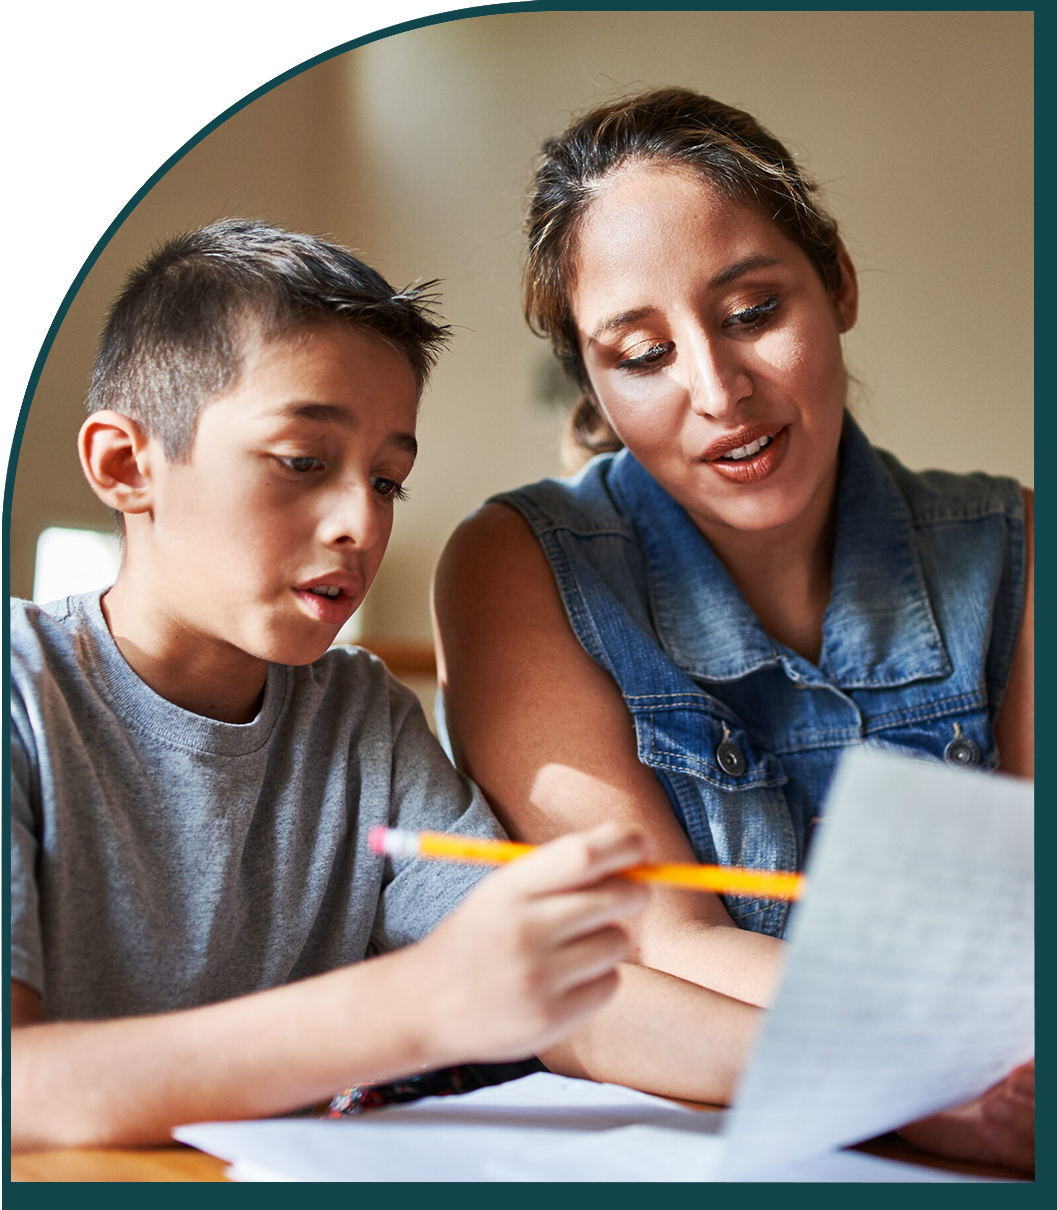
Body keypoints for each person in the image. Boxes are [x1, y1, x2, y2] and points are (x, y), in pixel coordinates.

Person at [433, 89, 1034, 1172]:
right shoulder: (516, 566)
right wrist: (934, 1060)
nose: (719, 390)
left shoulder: (1015, 546)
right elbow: (658, 936)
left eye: (753, 311)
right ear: (594, 382)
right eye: (641, 354)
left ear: (837, 281)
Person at [9, 220, 652, 1150]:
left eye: (388, 480)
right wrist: (415, 1004)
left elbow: (575, 1003)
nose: (360, 520)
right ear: (126, 466)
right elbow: (18, 1089)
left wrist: (918, 1088)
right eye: (303, 462)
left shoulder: (363, 719)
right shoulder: (24, 694)